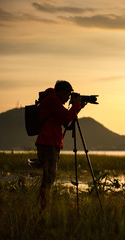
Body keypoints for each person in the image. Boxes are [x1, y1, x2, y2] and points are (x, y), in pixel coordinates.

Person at [36, 80, 84, 209]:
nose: (68, 98)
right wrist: (76, 106)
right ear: (62, 92)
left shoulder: (52, 100)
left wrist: (77, 108)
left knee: (49, 178)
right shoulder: (52, 100)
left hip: (50, 143)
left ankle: (43, 207)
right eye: (68, 95)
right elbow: (67, 117)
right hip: (48, 143)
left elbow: (65, 121)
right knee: (48, 179)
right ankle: (43, 209)